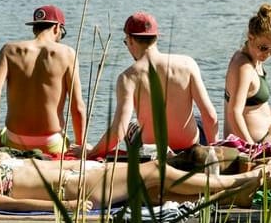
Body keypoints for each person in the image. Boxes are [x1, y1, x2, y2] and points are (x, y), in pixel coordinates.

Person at [0, 130, 271, 212]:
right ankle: (240, 179)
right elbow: (9, 205)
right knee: (155, 170)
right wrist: (62, 209)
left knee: (157, 193)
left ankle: (231, 195)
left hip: (84, 172)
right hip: (80, 187)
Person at [86, 11, 220, 157]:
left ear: (130, 40)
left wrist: (90, 153)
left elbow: (119, 130)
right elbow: (211, 116)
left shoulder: (128, 77)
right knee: (198, 119)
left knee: (131, 125)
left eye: (126, 42)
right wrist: (215, 151)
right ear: (156, 38)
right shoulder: (187, 64)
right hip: (190, 147)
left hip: (154, 150)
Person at [0, 4, 87, 155]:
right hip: (51, 143)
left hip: (14, 140)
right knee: (69, 141)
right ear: (57, 28)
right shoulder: (67, 54)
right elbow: (77, 107)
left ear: (35, 29)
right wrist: (80, 145)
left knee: (4, 133)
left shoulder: (9, 50)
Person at [223, 3, 271, 149]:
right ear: (250, 37)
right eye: (264, 48)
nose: (268, 54)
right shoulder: (244, 67)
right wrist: (252, 149)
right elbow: (234, 112)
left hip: (268, 124)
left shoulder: (254, 58)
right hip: (259, 141)